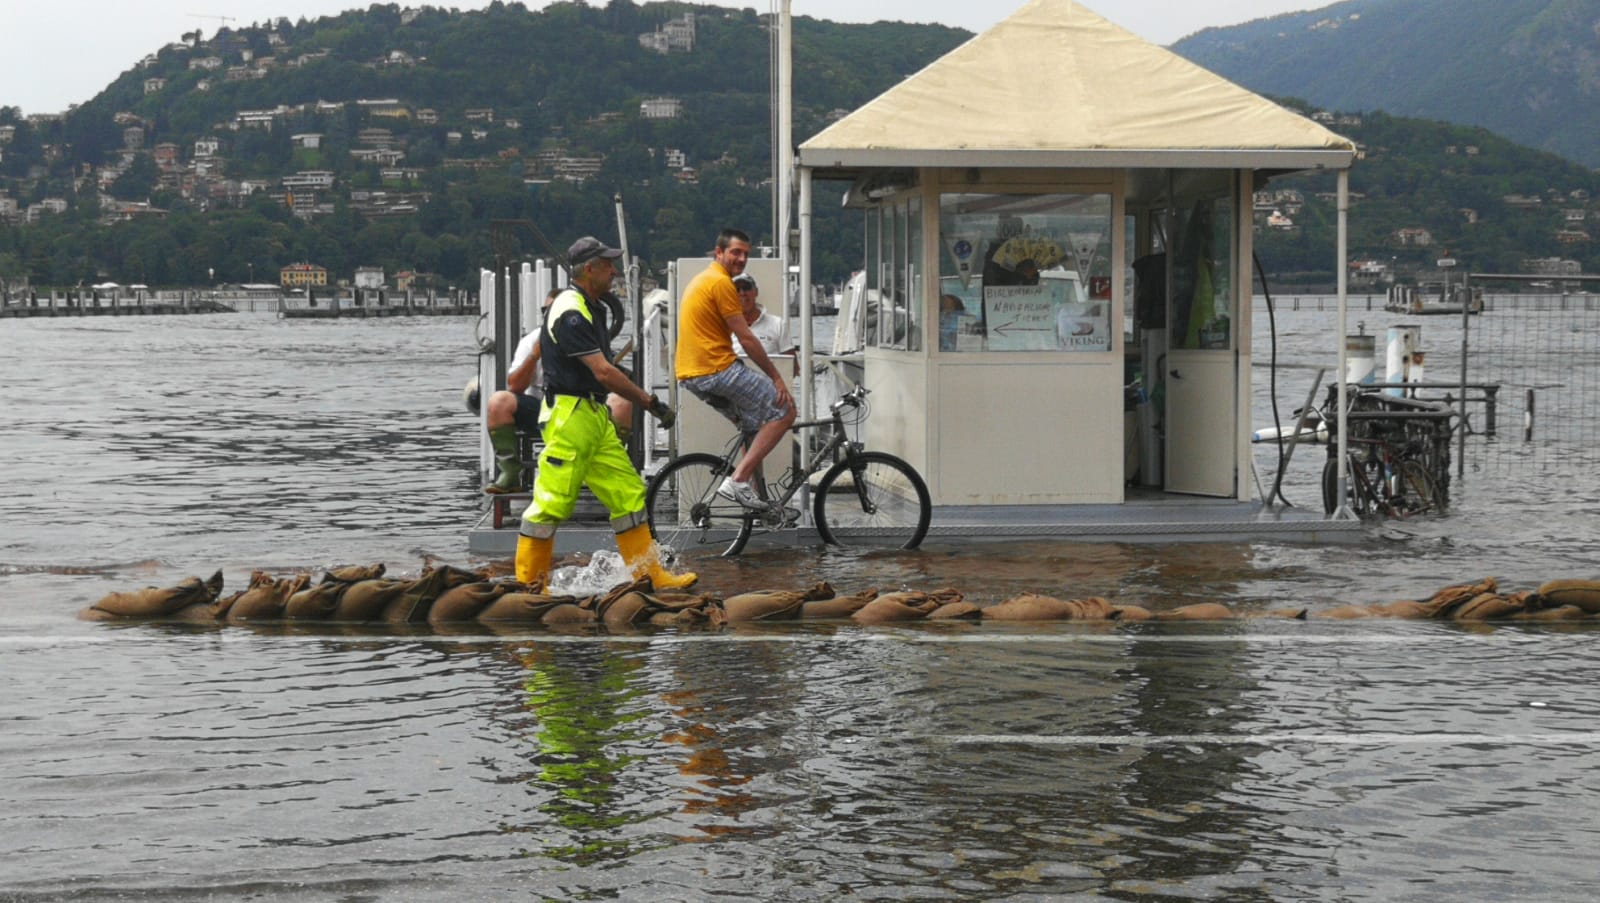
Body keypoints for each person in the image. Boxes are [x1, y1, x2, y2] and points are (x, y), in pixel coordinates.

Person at [515, 236, 696, 591]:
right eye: (608, 264)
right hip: (569, 416)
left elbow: (602, 373)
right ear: (589, 269)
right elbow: (603, 371)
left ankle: (650, 575)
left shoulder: (589, 305)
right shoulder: (570, 310)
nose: (614, 271)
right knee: (552, 502)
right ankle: (529, 586)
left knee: (628, 494)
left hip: (594, 415)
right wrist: (649, 402)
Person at [674, 228, 796, 511]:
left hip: (691, 374)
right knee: (786, 411)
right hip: (716, 369)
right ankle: (739, 480)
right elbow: (746, 337)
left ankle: (755, 497)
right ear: (719, 253)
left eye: (745, 254)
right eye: (735, 252)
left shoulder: (703, 279)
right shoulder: (721, 283)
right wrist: (777, 378)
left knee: (751, 425)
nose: (742, 259)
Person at [482, 291, 635, 495]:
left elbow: (606, 377)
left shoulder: (588, 338)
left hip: (585, 410)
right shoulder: (531, 340)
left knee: (623, 403)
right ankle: (510, 472)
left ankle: (599, 470)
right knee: (498, 401)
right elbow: (515, 387)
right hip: (543, 410)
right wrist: (535, 355)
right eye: (547, 311)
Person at [731, 273, 792, 356]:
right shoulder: (720, 328)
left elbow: (791, 366)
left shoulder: (778, 325)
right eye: (736, 289)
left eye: (746, 288)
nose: (742, 293)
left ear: (756, 292)